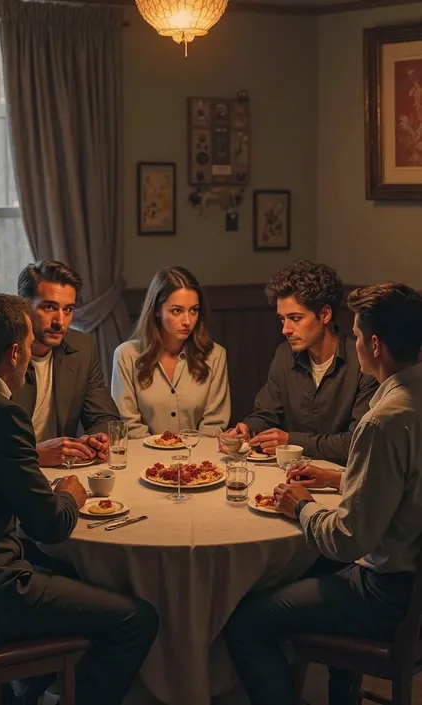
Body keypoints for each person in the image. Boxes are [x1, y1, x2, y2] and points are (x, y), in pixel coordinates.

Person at [0, 293, 158, 705]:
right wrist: (69, 494)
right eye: (28, 347)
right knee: (137, 618)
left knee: (80, 578)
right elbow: (51, 526)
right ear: (13, 353)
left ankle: (24, 691)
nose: (30, 356)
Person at [223, 282, 422, 705]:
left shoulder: (382, 422)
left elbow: (349, 539)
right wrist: (341, 481)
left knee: (244, 621)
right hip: (411, 584)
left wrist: (301, 506)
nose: (353, 343)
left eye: (355, 335)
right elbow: (404, 487)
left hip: (389, 594)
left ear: (374, 344)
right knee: (305, 574)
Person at [220, 260, 378, 464]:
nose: (285, 329)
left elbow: (357, 442)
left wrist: (292, 440)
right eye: (282, 319)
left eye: (295, 318)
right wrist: (248, 428)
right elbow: (268, 414)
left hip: (341, 479)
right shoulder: (284, 355)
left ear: (325, 314)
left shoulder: (362, 363)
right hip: (290, 473)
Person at [12, 260, 120, 467]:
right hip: (10, 474)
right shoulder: (0, 353)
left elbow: (105, 418)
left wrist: (95, 440)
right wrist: (34, 454)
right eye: (49, 307)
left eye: (68, 309)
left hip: (63, 471)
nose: (60, 322)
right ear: (23, 306)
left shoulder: (83, 347)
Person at [111, 266, 231, 438]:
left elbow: (214, 424)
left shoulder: (215, 355)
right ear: (157, 310)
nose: (187, 321)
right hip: (143, 459)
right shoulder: (126, 355)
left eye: (194, 310)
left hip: (198, 458)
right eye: (177, 311)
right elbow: (128, 423)